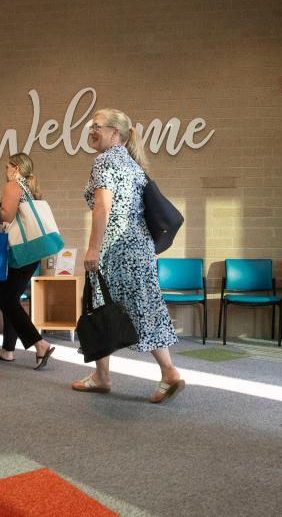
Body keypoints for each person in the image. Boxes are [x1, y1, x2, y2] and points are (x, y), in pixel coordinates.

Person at [72, 108, 185, 404]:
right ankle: (169, 371)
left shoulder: (104, 161)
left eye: (96, 126)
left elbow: (102, 207)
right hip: (141, 248)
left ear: (115, 133)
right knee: (146, 306)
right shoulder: (133, 165)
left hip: (116, 249)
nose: (91, 131)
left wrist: (93, 247)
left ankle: (102, 376)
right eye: (90, 125)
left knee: (99, 305)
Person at [0, 153, 55, 370]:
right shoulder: (27, 188)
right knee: (9, 297)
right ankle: (7, 350)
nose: (5, 169)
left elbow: (6, 216)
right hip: (33, 250)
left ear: (15, 168)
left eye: (7, 166)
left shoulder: (13, 185)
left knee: (6, 299)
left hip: (19, 251)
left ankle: (40, 344)